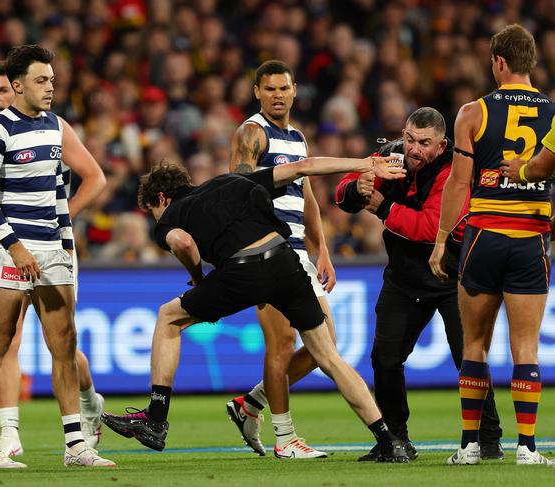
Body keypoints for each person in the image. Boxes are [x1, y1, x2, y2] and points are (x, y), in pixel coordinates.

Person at [100, 154, 410, 463]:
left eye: (153, 211)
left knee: (169, 316)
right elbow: (305, 167)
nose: (156, 218)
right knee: (328, 356)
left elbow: (181, 242)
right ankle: (388, 439)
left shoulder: (171, 215)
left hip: (243, 271)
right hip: (285, 261)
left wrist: (198, 279)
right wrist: (366, 164)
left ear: (161, 198)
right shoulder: (230, 180)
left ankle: (155, 417)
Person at [0, 45, 114, 468]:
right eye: (40, 80)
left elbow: (58, 192)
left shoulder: (55, 127)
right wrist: (15, 248)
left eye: (51, 79)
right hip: (12, 250)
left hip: (53, 252)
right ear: (17, 86)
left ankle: (75, 446)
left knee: (64, 345)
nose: (50, 87)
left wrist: (64, 244)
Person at [335, 107, 502, 461]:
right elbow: (342, 193)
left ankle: (488, 441)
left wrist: (381, 207)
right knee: (385, 359)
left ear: (442, 144)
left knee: (468, 359)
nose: (414, 149)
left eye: (424, 143)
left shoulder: (454, 168)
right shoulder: (389, 154)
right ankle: (395, 442)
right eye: (410, 139)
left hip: (452, 275)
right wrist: (357, 187)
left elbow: (430, 228)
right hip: (404, 277)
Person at [429, 24, 555, 466]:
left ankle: (467, 446)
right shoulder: (554, 114)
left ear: (498, 62)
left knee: (474, 345)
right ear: (531, 62)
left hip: (482, 236)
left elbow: (457, 183)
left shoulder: (472, 112)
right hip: (530, 239)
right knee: (526, 347)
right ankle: (527, 447)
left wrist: (442, 241)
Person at [225, 60, 336, 459]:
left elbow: (306, 198)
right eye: (269, 89)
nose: (277, 95)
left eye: (283, 88)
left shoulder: (298, 138)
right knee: (282, 344)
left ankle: (250, 404)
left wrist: (320, 249)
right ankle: (285, 438)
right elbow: (238, 191)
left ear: (294, 91)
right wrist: (256, 249)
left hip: (298, 254)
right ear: (257, 91)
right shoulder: (252, 133)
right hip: (268, 252)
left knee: (328, 346)